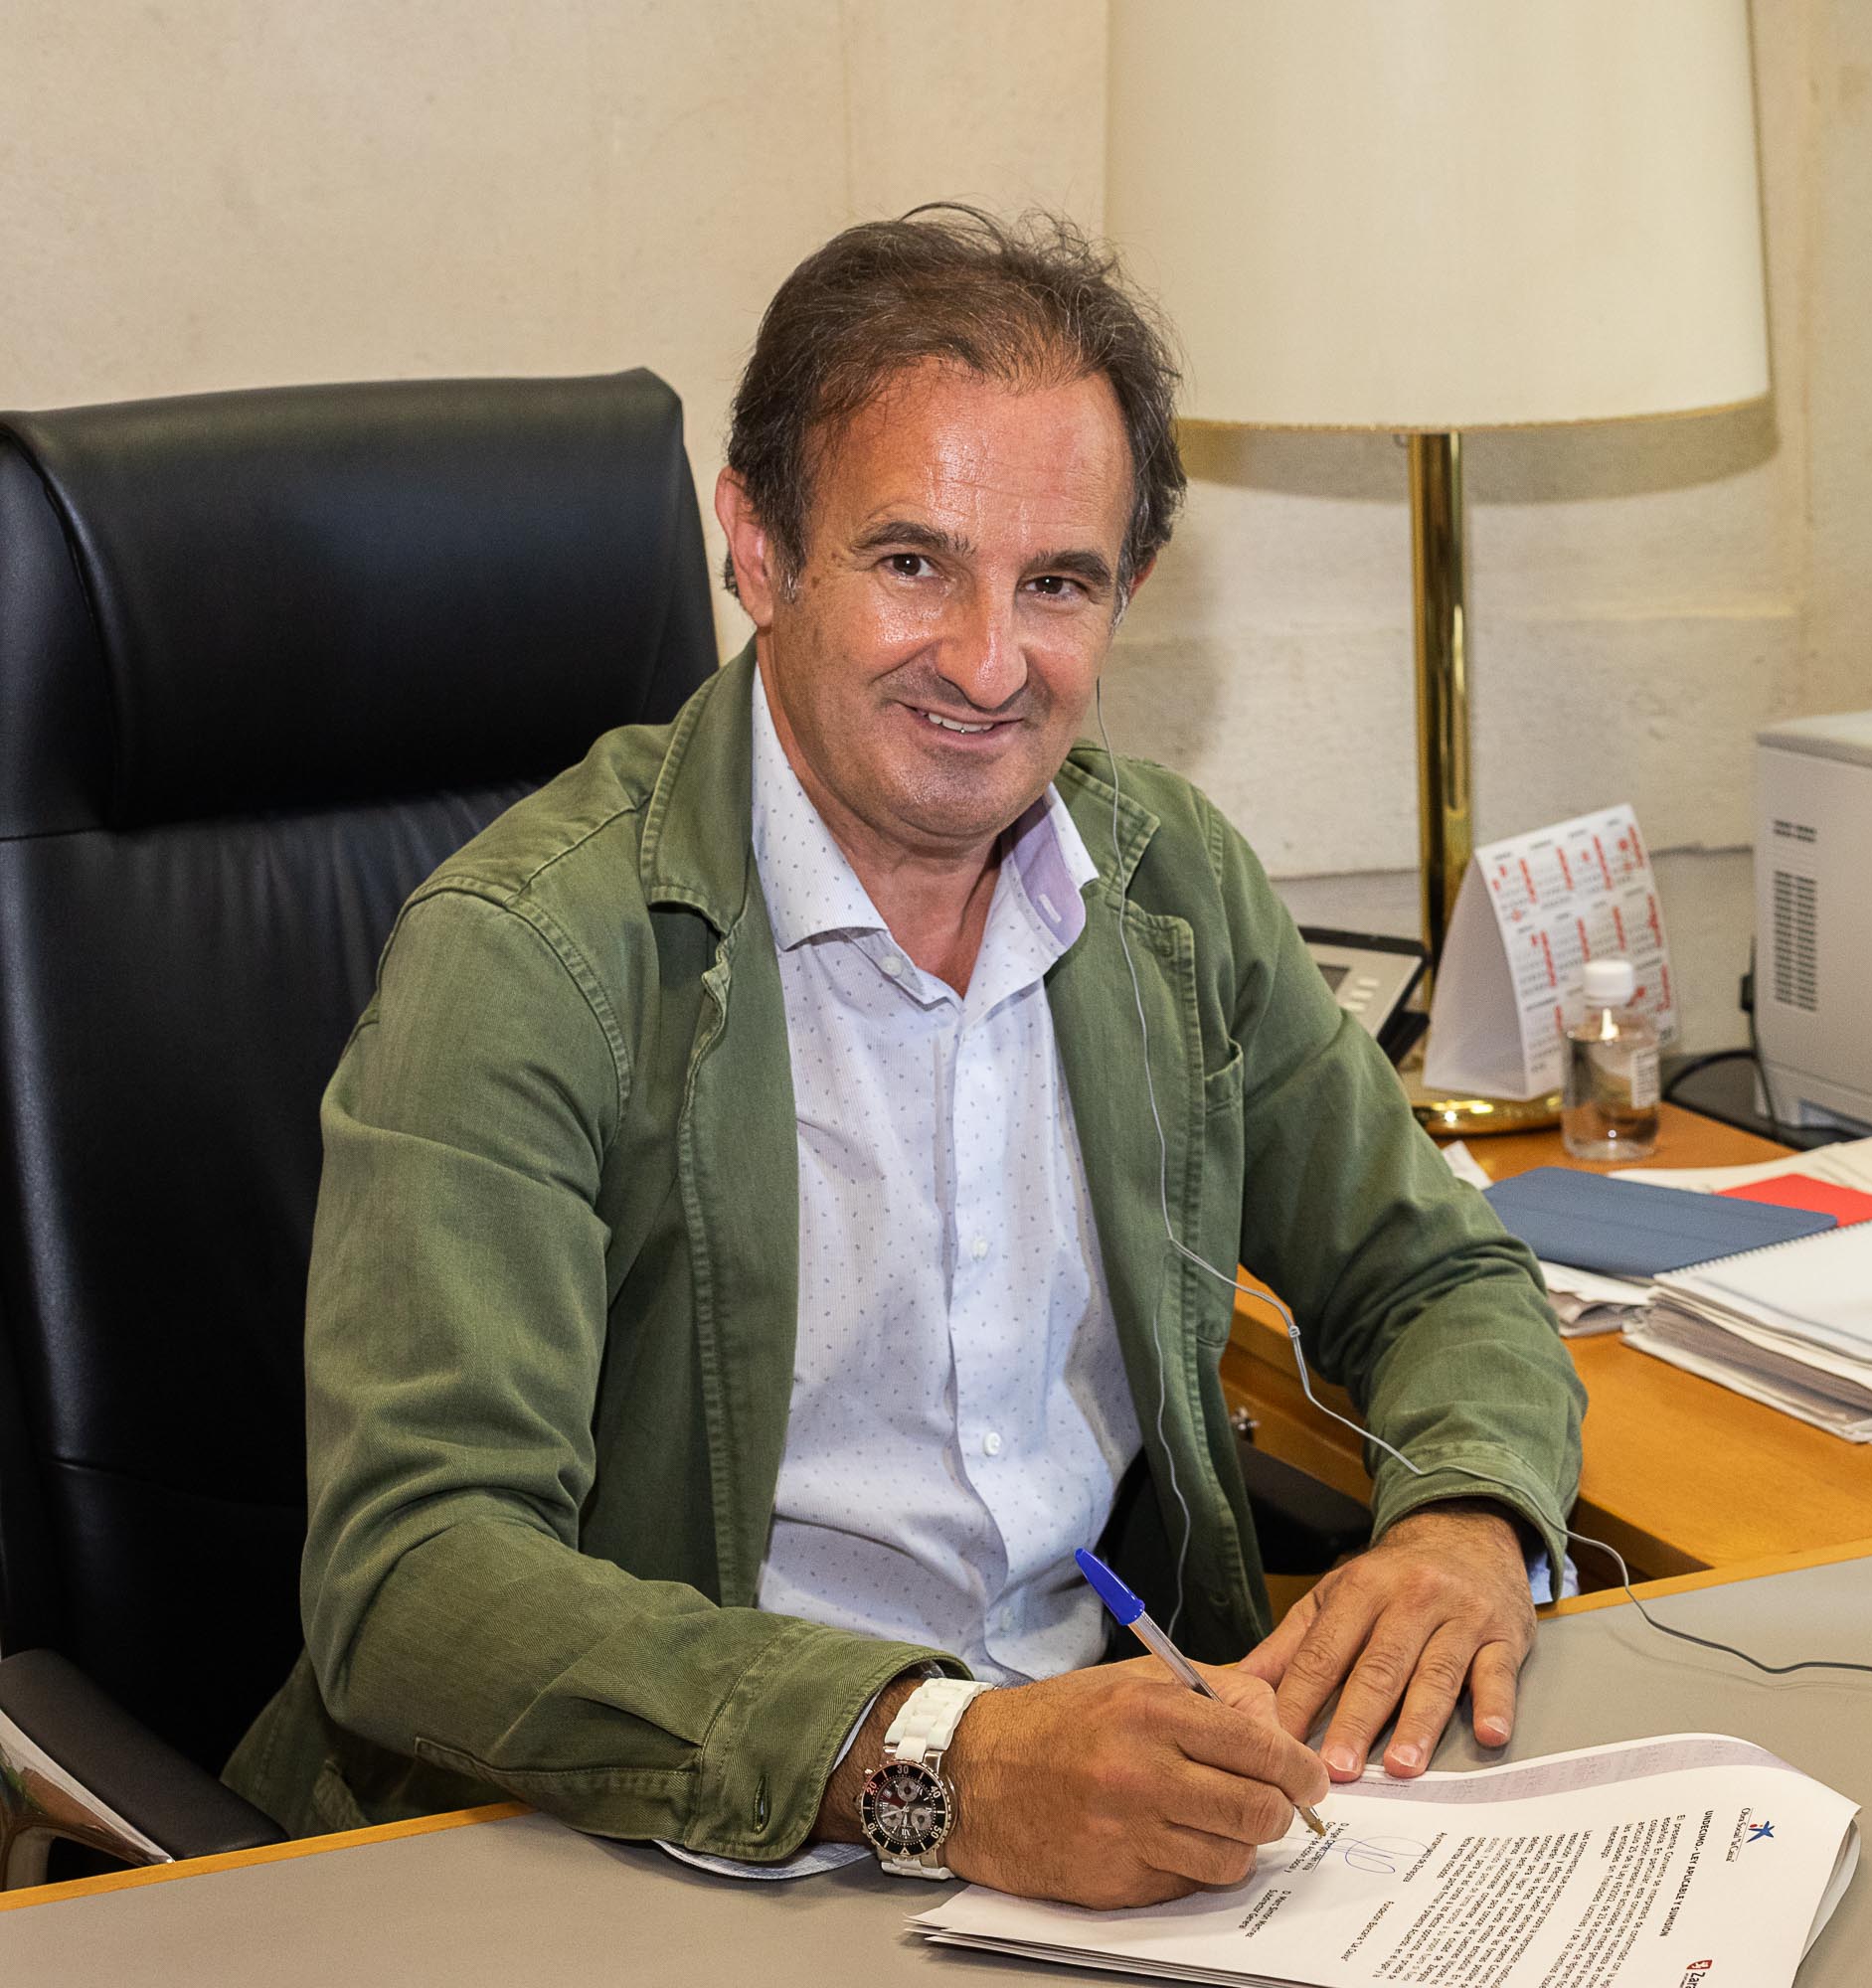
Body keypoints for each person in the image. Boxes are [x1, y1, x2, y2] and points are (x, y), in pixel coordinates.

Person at [222, 207, 1586, 1907]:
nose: (990, 665)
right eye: (914, 564)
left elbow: (1438, 1277)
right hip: (662, 1838)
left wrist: (1465, 1519)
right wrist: (939, 1763)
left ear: (1128, 594)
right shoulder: (526, 953)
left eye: (1057, 583)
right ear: (760, 550)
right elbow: (415, 1580)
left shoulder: (1167, 883)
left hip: (1106, 1817)